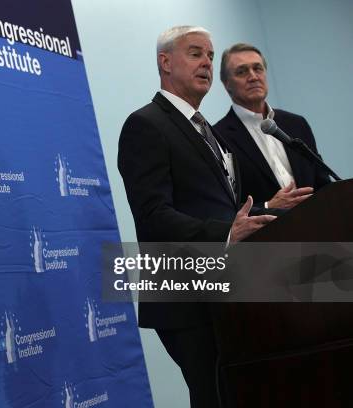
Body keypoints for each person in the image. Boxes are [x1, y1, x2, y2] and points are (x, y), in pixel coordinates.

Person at [118, 26, 276, 408]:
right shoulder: (146, 125)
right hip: (183, 294)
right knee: (214, 395)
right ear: (165, 62)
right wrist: (226, 234)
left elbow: (217, 207)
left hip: (225, 287)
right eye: (195, 53)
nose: (206, 62)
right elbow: (154, 216)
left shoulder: (208, 131)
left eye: (209, 54)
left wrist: (269, 210)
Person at [214, 43, 331, 209]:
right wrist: (268, 206)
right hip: (267, 232)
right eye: (242, 71)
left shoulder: (297, 123)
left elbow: (322, 182)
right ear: (226, 83)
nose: (253, 76)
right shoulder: (218, 138)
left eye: (258, 68)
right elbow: (224, 208)